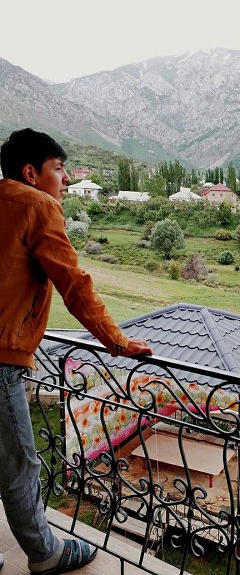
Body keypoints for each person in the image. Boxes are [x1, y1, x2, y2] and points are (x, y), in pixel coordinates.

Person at [0, 129, 152, 574]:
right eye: (59, 169)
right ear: (32, 173)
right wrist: (117, 340)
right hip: (2, 357)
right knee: (20, 465)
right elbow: (74, 284)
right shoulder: (38, 206)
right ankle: (46, 554)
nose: (65, 179)